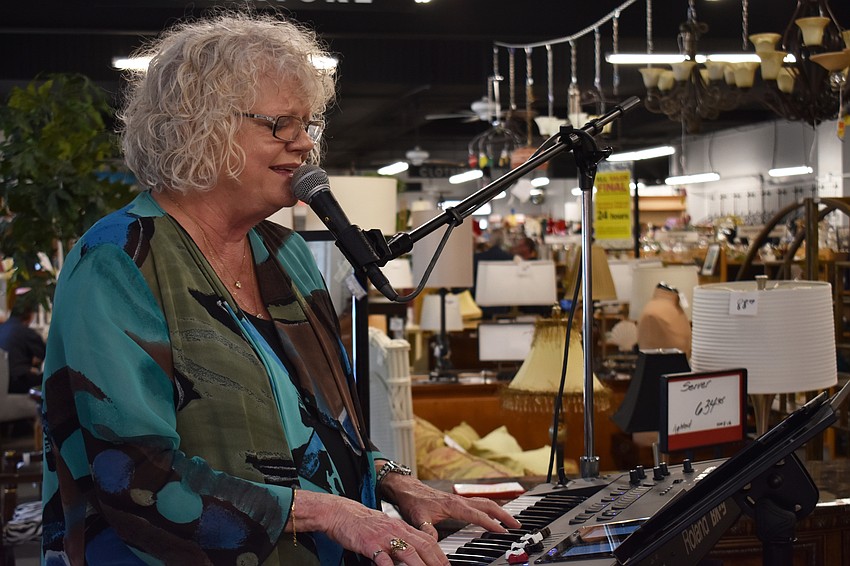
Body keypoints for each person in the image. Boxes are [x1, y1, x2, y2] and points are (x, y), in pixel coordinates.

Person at [41, 12, 519, 566]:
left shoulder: (285, 253)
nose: (304, 146)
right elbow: (134, 475)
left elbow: (324, 429)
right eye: (281, 125)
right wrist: (332, 512)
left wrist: (391, 480)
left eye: (308, 126)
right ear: (201, 126)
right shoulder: (119, 261)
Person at [0, 289, 46, 394]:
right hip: (16, 382)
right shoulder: (25, 332)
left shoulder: (3, 328)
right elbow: (47, 354)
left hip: (4, 382)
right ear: (29, 314)